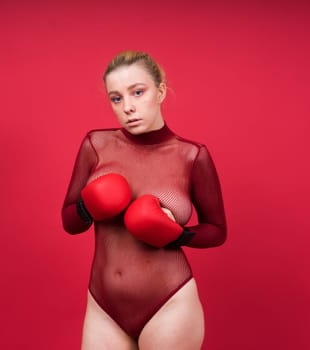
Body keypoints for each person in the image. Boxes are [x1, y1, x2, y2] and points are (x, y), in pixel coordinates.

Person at [61, 50, 227, 350]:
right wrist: (88, 207)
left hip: (169, 305)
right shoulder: (95, 145)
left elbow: (216, 230)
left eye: (138, 92)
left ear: (160, 91)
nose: (128, 107)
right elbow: (70, 221)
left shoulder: (191, 155)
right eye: (116, 98)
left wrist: (178, 234)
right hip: (104, 307)